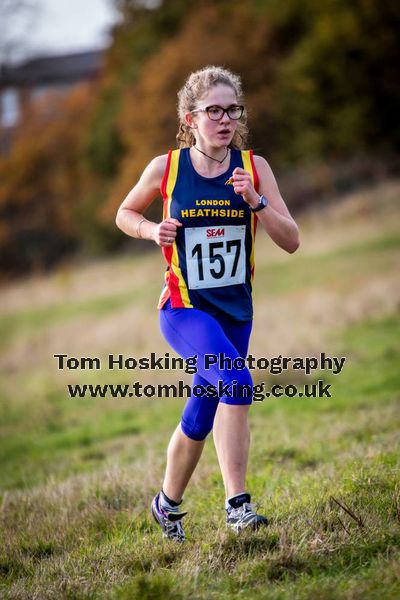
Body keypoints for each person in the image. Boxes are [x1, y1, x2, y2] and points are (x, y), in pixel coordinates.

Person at [115, 65, 300, 542]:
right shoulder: (167, 169)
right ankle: (238, 506)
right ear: (189, 118)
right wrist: (151, 229)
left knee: (202, 411)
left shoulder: (255, 168)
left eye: (232, 110)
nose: (224, 119)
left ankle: (166, 505)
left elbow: (293, 240)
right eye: (213, 110)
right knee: (236, 383)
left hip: (237, 313)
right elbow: (124, 212)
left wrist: (256, 201)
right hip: (184, 309)